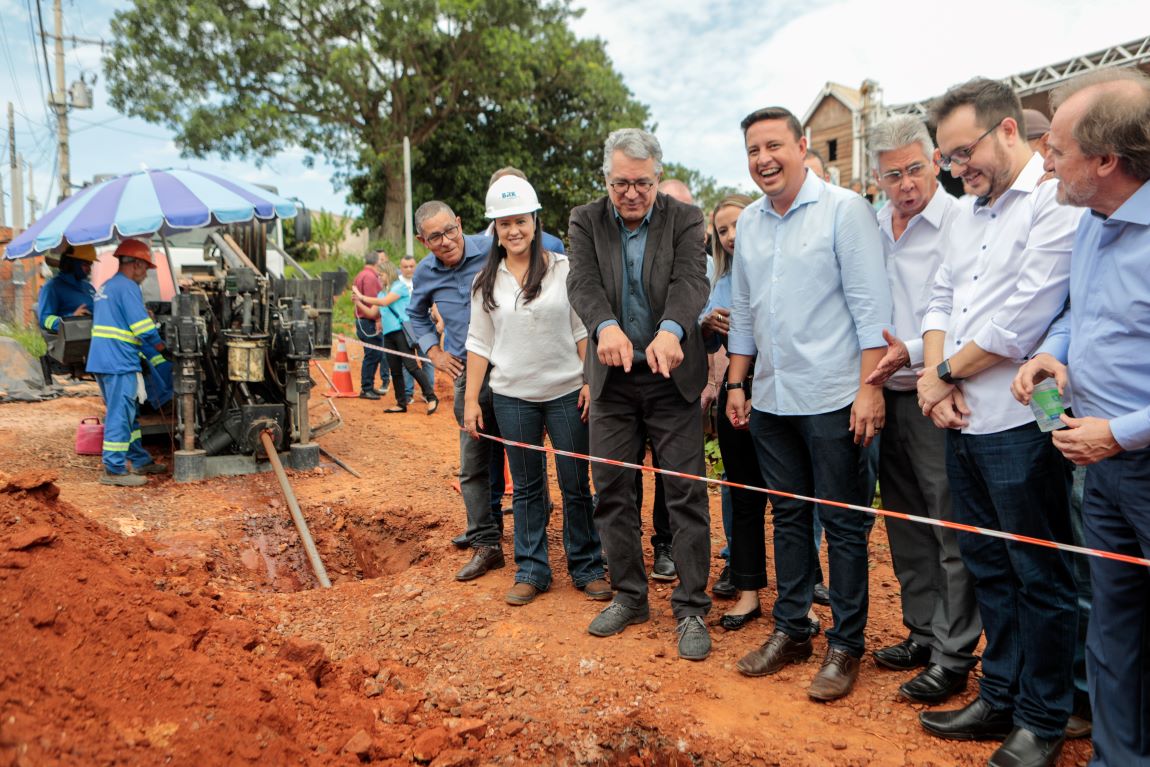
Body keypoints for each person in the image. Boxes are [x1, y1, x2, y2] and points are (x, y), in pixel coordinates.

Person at [911, 78, 1081, 767]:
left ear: (1008, 128)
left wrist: (942, 374)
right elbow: (941, 295)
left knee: (1039, 572)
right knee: (988, 564)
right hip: (960, 421)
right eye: (948, 158)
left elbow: (1022, 322)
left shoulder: (1052, 201)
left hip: (1019, 422)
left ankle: (1044, 718)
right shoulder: (970, 213)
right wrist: (933, 379)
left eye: (962, 152)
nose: (956, 169)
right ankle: (1000, 694)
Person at [725, 106, 890, 702]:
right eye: (752, 150)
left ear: (800, 145)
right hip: (771, 398)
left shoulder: (846, 211)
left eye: (773, 145)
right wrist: (737, 384)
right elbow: (743, 311)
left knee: (844, 525)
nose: (763, 159)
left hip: (834, 397)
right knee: (789, 516)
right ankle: (792, 628)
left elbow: (873, 311)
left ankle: (846, 645)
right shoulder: (747, 221)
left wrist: (870, 388)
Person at [1011, 68, 1150, 767]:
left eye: (1056, 149)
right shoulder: (1092, 226)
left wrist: (1120, 431)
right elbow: (1076, 312)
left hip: (1133, 455)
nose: (1044, 159)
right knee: (1113, 628)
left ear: (1104, 160)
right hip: (1101, 469)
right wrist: (1053, 355)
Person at [566, 128, 713, 661]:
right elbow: (580, 281)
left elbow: (691, 281)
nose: (632, 193)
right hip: (612, 378)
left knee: (685, 493)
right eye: (621, 183)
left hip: (671, 375)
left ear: (657, 177)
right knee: (611, 489)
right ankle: (630, 595)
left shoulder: (684, 218)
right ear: (606, 179)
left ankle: (692, 605)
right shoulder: (585, 219)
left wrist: (672, 330)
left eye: (643, 183)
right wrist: (604, 326)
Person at [860, 115, 980, 706]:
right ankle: (922, 632)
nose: (904, 184)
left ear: (935, 160)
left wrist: (918, 353)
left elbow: (965, 306)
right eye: (891, 175)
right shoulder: (874, 226)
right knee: (904, 519)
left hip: (941, 389)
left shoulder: (963, 219)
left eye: (913, 168)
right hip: (888, 391)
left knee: (948, 523)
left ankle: (955, 653)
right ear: (877, 178)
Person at [462, 175, 608, 606]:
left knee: (575, 482)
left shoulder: (564, 270)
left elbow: (582, 329)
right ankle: (532, 569)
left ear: (535, 221)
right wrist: (472, 400)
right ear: (495, 229)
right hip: (512, 396)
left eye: (520, 221)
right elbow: (478, 344)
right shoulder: (485, 282)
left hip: (566, 392)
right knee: (526, 486)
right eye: (504, 223)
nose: (513, 230)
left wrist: (588, 380)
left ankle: (587, 567)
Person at [406, 202, 500, 579]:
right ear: (422, 241)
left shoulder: (495, 249)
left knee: (524, 460)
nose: (446, 242)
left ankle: (531, 542)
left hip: (512, 371)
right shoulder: (426, 273)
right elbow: (415, 314)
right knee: (474, 462)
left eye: (450, 231)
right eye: (435, 237)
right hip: (467, 377)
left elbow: (548, 248)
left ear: (460, 223)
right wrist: (434, 352)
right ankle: (486, 542)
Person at [699, 193, 772, 628]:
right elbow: (710, 344)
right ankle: (747, 592)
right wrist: (707, 327)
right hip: (737, 393)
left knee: (791, 499)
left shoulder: (779, 270)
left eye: (737, 224)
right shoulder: (719, 284)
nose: (730, 236)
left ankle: (802, 591)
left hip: (786, 392)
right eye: (722, 230)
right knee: (742, 493)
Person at [85, 239, 171, 487]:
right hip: (119, 362)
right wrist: (163, 347)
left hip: (103, 361)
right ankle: (114, 468)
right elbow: (142, 328)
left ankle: (139, 459)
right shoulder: (128, 287)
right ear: (135, 264)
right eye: (145, 268)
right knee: (119, 415)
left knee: (128, 415)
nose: (145, 275)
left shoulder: (107, 286)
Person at [351, 261, 438, 415]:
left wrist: (361, 296)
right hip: (388, 335)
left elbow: (385, 302)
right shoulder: (381, 293)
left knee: (411, 366)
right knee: (395, 370)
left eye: (381, 275)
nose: (379, 278)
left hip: (401, 332)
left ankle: (431, 397)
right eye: (378, 275)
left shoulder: (399, 287)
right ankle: (401, 402)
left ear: (389, 273)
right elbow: (372, 313)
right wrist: (358, 303)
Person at [353, 250, 389, 400]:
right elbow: (372, 301)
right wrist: (377, 319)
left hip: (364, 320)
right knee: (373, 354)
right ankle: (366, 388)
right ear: (377, 262)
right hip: (367, 321)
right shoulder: (370, 277)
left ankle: (368, 386)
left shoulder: (361, 275)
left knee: (374, 354)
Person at [37, 244, 96, 333]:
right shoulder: (52, 287)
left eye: (91, 264)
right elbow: (44, 320)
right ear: (72, 263)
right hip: (72, 342)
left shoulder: (89, 287)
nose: (89, 269)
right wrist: (70, 319)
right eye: (85, 264)